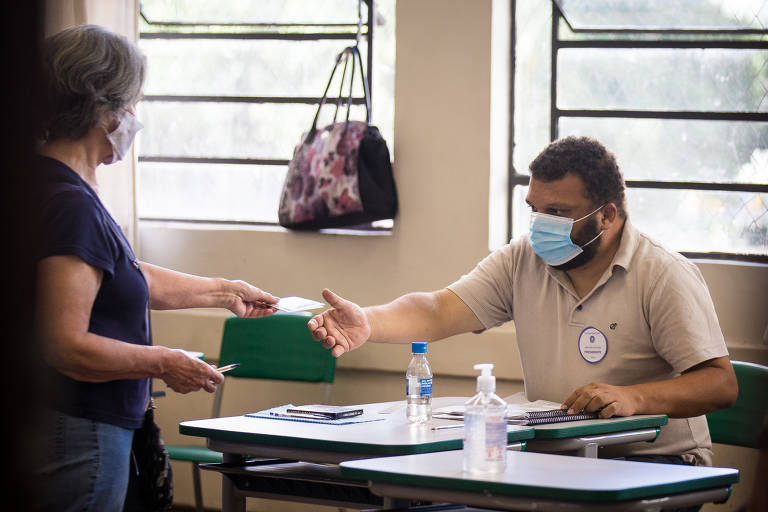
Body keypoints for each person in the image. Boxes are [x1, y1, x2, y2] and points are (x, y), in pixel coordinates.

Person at [309, 135, 737, 469]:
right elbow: (440, 310)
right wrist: (367, 321)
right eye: (535, 209)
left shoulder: (663, 273)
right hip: (559, 459)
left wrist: (635, 399)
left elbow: (720, 384)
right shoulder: (524, 258)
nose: (541, 225)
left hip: (655, 461)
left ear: (607, 215)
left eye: (558, 212)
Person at [33, 25, 279, 511]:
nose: (133, 117)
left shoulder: (53, 185)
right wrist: (164, 361)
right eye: (131, 104)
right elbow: (65, 345)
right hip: (81, 430)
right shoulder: (68, 204)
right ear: (102, 108)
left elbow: (121, 276)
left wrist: (223, 291)